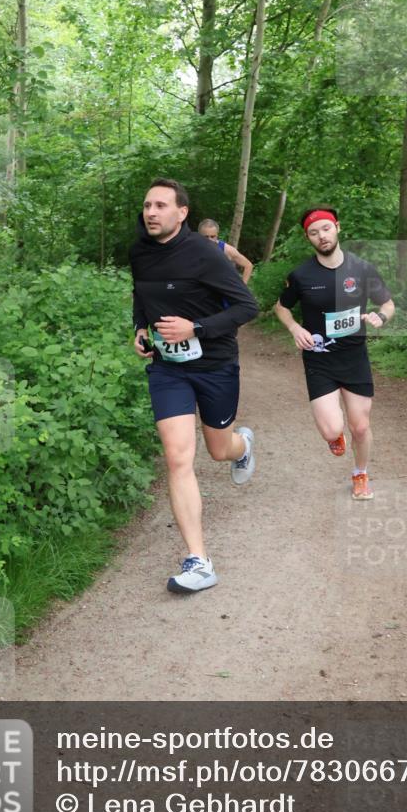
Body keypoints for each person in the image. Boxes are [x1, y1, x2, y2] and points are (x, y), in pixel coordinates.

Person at [130, 178, 259, 593]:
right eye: (148, 205)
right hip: (169, 368)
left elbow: (247, 306)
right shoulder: (139, 252)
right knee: (177, 457)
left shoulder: (206, 255)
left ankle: (243, 446)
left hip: (215, 364)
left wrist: (196, 327)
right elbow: (141, 294)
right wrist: (139, 328)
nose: (151, 212)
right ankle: (199, 561)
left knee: (219, 449)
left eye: (161, 205)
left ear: (181, 213)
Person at [274, 206, 394, 501]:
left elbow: (388, 304)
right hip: (319, 358)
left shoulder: (362, 269)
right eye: (314, 233)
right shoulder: (301, 275)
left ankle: (360, 474)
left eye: (326, 229)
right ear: (308, 238)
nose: (321, 236)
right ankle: (335, 435)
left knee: (361, 426)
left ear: (337, 228)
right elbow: (281, 306)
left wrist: (381, 317)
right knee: (332, 430)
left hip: (354, 357)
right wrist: (294, 328)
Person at [198, 219, 254, 284]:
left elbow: (248, 265)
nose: (209, 240)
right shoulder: (192, 248)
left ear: (217, 235)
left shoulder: (226, 250)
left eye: (212, 236)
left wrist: (243, 288)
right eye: (206, 237)